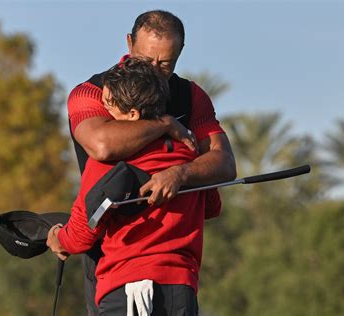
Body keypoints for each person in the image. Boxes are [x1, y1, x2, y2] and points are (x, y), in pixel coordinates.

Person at [67, 10, 236, 315]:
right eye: (147, 61)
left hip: (176, 264)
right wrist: (165, 125)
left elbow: (223, 165)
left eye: (166, 64)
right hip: (107, 254)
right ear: (129, 44)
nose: (156, 72)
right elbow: (102, 145)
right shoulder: (95, 93)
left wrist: (181, 173)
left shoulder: (191, 96)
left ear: (180, 54)